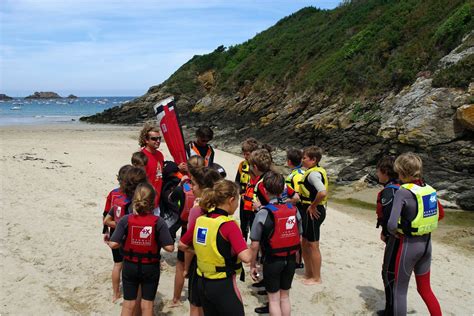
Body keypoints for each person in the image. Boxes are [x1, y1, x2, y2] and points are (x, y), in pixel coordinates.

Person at [179, 180, 252, 316]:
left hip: (202, 282)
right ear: (231, 200)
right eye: (237, 200)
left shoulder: (201, 220)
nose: (237, 205)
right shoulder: (229, 225)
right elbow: (246, 257)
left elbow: (182, 245)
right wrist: (254, 246)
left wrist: (198, 251)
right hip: (222, 284)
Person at [387, 153, 444, 316]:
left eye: (398, 173)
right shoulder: (429, 189)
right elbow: (440, 214)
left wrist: (398, 231)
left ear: (402, 173)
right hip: (427, 245)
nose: (397, 176)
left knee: (400, 291)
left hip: (409, 246)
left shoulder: (403, 192)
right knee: (426, 290)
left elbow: (391, 224)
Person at [108, 183, 175, 316]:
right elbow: (170, 248)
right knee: (147, 305)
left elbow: (113, 244)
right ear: (153, 201)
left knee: (128, 305)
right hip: (150, 267)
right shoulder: (158, 221)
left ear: (134, 200)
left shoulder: (126, 220)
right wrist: (154, 240)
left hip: (130, 265)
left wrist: (127, 240)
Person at [249, 171, 302, 316]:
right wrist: (298, 258)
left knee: (273, 300)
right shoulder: (293, 210)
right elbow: (299, 237)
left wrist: (252, 265)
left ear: (265, 190)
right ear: (284, 189)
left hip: (272, 260)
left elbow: (254, 244)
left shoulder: (263, 213)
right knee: (285, 297)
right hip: (290, 258)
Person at [180, 167, 222, 316]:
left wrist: (186, 268)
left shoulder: (197, 210)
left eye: (194, 184)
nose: (191, 187)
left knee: (196, 306)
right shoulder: (222, 206)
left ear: (203, 187)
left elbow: (190, 243)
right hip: (220, 265)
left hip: (200, 263)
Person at [167, 156, 205, 309]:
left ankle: (176, 299)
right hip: (205, 233)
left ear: (187, 168)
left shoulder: (183, 186)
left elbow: (170, 199)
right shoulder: (209, 188)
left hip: (186, 230)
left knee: (180, 267)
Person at [102, 164, 133, 302]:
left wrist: (106, 232)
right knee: (127, 264)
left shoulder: (113, 193)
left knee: (117, 264)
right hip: (129, 234)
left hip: (115, 232)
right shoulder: (133, 196)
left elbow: (105, 214)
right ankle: (128, 291)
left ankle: (115, 294)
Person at [298, 146, 328, 285]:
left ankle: (316, 277)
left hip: (313, 212)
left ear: (313, 160)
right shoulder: (312, 172)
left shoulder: (313, 174)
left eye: (304, 158)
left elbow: (322, 192)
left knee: (313, 244)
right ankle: (309, 273)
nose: (302, 160)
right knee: (305, 242)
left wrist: (313, 205)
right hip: (308, 210)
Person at [374, 156, 400, 315]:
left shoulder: (389, 192)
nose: (377, 175)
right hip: (417, 240)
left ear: (385, 172)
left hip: (395, 238)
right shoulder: (405, 187)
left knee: (388, 272)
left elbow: (390, 217)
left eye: (378, 172)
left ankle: (390, 309)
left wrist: (385, 233)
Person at [235, 138, 260, 241]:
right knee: (243, 224)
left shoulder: (260, 166)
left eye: (248, 154)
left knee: (255, 225)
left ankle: (256, 247)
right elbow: (237, 181)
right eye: (244, 154)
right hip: (244, 200)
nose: (245, 156)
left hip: (255, 202)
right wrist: (240, 193)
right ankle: (244, 243)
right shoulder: (242, 165)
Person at [284, 148, 305, 268]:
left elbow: (297, 195)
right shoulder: (299, 173)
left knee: (298, 234)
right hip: (295, 208)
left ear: (289, 161)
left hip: (295, 208)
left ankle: (298, 260)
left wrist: (286, 202)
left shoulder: (295, 176)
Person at [139, 124, 165, 206]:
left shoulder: (160, 155)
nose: (158, 141)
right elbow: (139, 180)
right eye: (154, 139)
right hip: (145, 200)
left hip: (157, 200)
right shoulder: (141, 156)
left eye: (159, 138)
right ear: (146, 140)